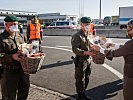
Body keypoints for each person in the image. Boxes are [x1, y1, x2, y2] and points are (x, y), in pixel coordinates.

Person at [92, 19, 133, 100]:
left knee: (129, 96)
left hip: (131, 75)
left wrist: (100, 49)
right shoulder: (130, 44)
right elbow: (127, 49)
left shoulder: (131, 43)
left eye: (129, 28)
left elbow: (113, 53)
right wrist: (115, 45)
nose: (127, 31)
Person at [0, 15, 30, 100]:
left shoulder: (21, 36)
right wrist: (11, 57)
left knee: (24, 93)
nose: (15, 26)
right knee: (9, 96)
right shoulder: (1, 38)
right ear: (6, 25)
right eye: (13, 24)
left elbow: (26, 48)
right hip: (9, 72)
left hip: (23, 70)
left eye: (16, 24)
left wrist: (29, 51)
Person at [71, 17, 96, 100]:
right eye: (85, 24)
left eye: (89, 24)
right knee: (80, 79)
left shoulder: (89, 34)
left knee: (87, 77)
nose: (87, 26)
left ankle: (83, 93)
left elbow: (91, 45)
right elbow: (75, 50)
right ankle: (80, 96)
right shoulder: (77, 36)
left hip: (89, 59)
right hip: (81, 60)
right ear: (81, 24)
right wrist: (86, 52)